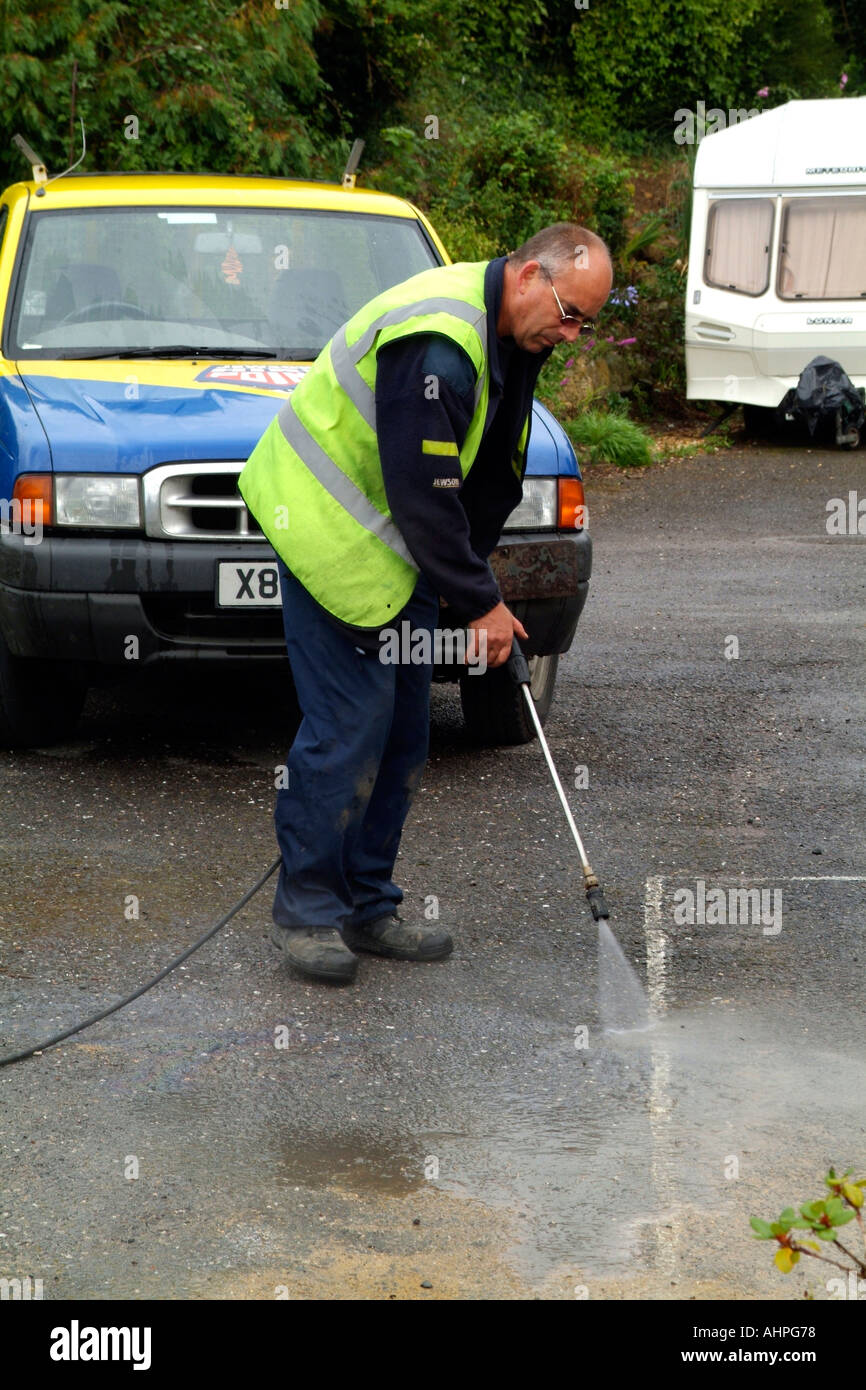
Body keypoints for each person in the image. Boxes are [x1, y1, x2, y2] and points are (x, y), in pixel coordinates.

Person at [238, 222, 613, 983]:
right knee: (351, 725)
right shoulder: (438, 344)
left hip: (396, 546)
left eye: (587, 322)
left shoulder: (513, 338)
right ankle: (309, 911)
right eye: (570, 313)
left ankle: (368, 906)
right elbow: (423, 488)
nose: (573, 334)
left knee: (406, 728)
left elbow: (489, 467)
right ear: (527, 276)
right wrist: (478, 602)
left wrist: (473, 581)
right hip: (327, 528)